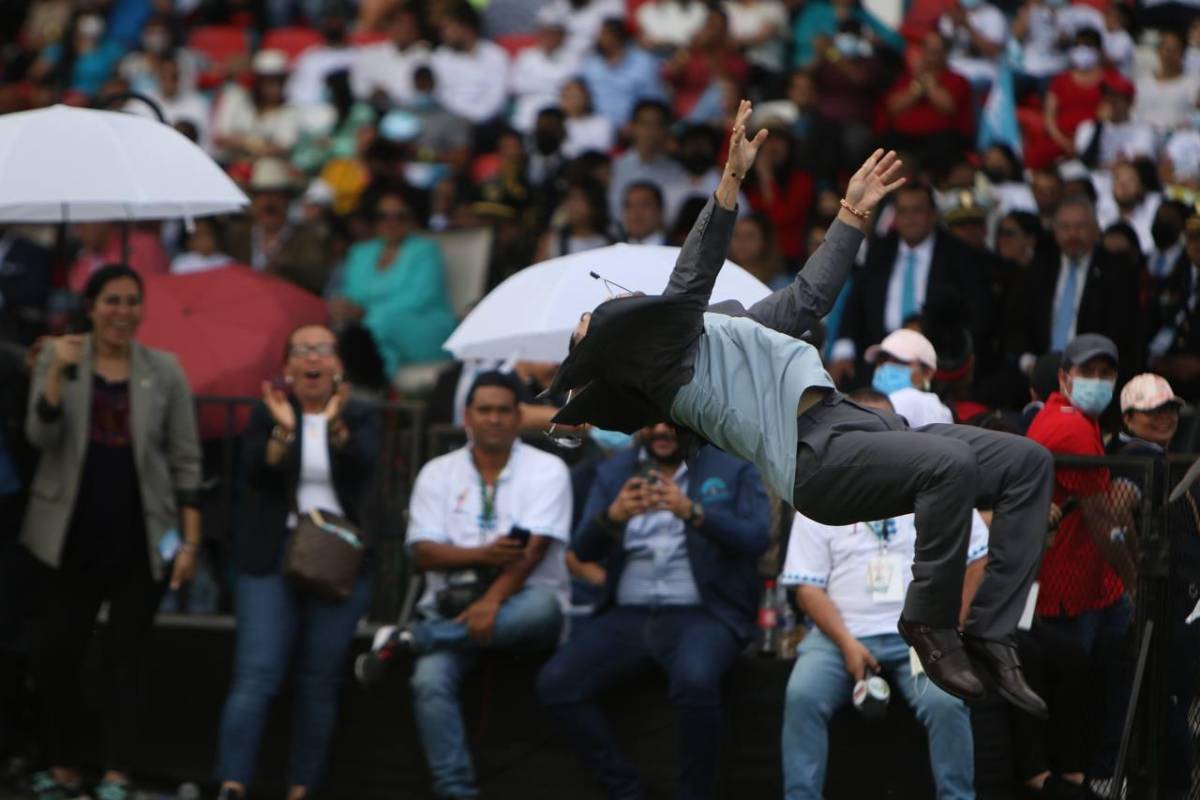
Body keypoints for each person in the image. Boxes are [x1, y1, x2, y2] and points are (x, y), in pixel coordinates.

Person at [547, 100, 1054, 714]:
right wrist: (731, 180)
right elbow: (692, 277)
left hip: (858, 427)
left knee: (1026, 464)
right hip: (816, 459)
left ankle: (993, 633)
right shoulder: (657, 368)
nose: (609, 309)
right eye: (589, 325)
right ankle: (928, 622)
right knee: (949, 467)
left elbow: (808, 300)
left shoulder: (722, 326)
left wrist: (852, 214)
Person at [22, 265, 202, 800]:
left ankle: (117, 770)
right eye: (111, 301)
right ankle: (61, 763)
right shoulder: (61, 357)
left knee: (125, 658)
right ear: (91, 306)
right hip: (67, 534)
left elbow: (186, 459)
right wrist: (55, 374)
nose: (122, 312)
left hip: (140, 535)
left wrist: (188, 541)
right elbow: (40, 435)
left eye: (131, 301)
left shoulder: (164, 370)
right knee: (60, 652)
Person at [538, 422, 769, 800]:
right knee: (557, 684)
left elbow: (756, 538)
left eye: (671, 421)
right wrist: (612, 517)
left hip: (703, 611)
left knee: (695, 681)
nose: (662, 429)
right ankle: (625, 789)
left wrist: (693, 512)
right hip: (627, 611)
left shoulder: (730, 465)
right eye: (651, 419)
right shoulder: (615, 470)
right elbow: (581, 551)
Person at [781, 388, 986, 800]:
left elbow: (977, 556)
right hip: (839, 636)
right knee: (801, 695)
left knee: (946, 705)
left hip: (920, 634)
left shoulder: (936, 480)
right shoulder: (816, 491)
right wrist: (846, 644)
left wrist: (952, 623)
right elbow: (806, 587)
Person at [215, 324, 380, 800]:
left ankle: (301, 789)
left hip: (339, 562)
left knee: (319, 681)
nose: (313, 358)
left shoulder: (361, 415)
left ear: (338, 366)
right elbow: (258, 471)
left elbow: (361, 467)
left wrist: (331, 425)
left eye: (323, 349)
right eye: (302, 350)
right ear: (287, 367)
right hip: (271, 558)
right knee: (257, 673)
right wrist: (286, 431)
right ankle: (232, 785)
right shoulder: (266, 414)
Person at [403, 371, 572, 800]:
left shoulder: (547, 469)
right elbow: (421, 553)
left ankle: (416, 638)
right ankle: (456, 791)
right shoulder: (437, 472)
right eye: (485, 410)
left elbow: (532, 553)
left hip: (521, 605)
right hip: (452, 604)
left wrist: (492, 600)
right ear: (467, 416)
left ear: (519, 417)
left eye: (503, 411)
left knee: (542, 609)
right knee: (428, 681)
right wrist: (483, 556)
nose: (494, 419)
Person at [1019, 333, 1135, 798]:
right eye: (1089, 373)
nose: (1099, 382)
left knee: (1096, 683)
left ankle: (1095, 772)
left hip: (1090, 584)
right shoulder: (1069, 427)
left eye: (1107, 374)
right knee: (1078, 693)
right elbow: (1103, 518)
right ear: (1065, 378)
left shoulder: (1073, 417)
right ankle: (1089, 777)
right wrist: (1136, 579)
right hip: (1064, 589)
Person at [1109, 374, 1196, 796]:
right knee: (1164, 714)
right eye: (1152, 411)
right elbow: (1116, 512)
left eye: (1170, 409)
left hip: (1175, 604)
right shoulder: (1134, 458)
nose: (1164, 418)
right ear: (1129, 417)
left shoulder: (1161, 459)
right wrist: (1131, 574)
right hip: (1153, 613)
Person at [831, 182, 988, 386]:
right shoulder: (879, 250)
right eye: (903, 211)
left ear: (933, 214)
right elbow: (855, 304)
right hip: (879, 356)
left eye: (917, 210)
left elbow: (977, 314)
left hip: (935, 361)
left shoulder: (959, 255)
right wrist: (843, 351)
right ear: (895, 216)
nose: (910, 218)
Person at [1002, 195, 1142, 381]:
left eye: (1080, 226)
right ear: (1055, 231)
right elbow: (1017, 323)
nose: (1072, 234)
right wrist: (1028, 361)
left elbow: (1124, 333)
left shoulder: (1116, 271)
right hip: (1040, 373)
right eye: (1065, 227)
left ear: (1095, 229)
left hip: (1095, 376)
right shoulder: (1039, 268)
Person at [328, 186, 457, 379]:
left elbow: (418, 299)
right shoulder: (360, 252)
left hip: (423, 326)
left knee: (374, 326)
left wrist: (365, 312)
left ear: (411, 218)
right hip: (376, 333)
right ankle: (372, 391)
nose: (391, 222)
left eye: (400, 216)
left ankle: (355, 381)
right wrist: (344, 306)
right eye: (383, 216)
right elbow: (351, 294)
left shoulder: (426, 251)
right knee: (382, 348)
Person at [225, 158, 335, 296]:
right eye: (263, 195)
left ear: (288, 200)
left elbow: (317, 276)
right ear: (255, 199)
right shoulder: (238, 235)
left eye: (277, 195)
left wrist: (284, 268)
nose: (269, 202)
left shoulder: (308, 238)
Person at [212, 49, 303, 164]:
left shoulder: (290, 111)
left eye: (278, 81)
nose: (273, 87)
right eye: (266, 81)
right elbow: (221, 137)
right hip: (230, 162)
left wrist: (243, 142)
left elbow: (281, 147)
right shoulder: (235, 98)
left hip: (269, 169)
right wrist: (255, 144)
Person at [429, 3, 510, 129]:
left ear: (466, 27)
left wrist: (474, 119)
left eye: (448, 28)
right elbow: (439, 96)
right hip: (450, 124)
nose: (444, 34)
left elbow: (497, 98)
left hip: (486, 124)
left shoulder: (496, 56)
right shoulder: (439, 58)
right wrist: (458, 120)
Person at [607, 99, 687, 220]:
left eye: (657, 124)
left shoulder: (677, 171)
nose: (651, 131)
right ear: (633, 127)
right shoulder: (614, 168)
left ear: (666, 130)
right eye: (645, 124)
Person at [581, 18, 668, 129]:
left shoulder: (644, 62)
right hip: (595, 127)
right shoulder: (591, 63)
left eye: (603, 34)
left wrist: (634, 125)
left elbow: (652, 100)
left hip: (633, 128)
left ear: (616, 36)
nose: (598, 38)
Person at [509, 5, 580, 133]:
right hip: (527, 113)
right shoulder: (526, 56)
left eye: (554, 33)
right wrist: (554, 85)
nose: (549, 37)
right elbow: (516, 86)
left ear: (562, 35)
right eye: (546, 32)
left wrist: (536, 84)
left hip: (559, 115)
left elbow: (571, 91)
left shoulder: (573, 60)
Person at [866, 328, 954, 428]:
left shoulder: (921, 402)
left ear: (927, 373)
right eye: (882, 359)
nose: (887, 366)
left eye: (900, 361)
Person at [350, 4, 430, 106]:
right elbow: (359, 88)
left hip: (414, 110)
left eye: (408, 27)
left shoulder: (426, 57)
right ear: (390, 28)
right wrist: (374, 92)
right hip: (377, 109)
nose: (404, 30)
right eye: (399, 25)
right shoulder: (371, 54)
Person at [1074, 74, 1154, 171]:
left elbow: (1142, 160)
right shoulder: (1088, 127)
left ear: (1129, 102)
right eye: (1106, 97)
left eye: (1116, 97)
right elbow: (1086, 162)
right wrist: (1100, 125)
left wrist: (1106, 165)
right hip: (1095, 182)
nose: (1110, 102)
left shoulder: (1143, 129)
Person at [1134, 29, 1200, 133]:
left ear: (1182, 53)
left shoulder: (1193, 83)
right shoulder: (1142, 81)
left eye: (1174, 49)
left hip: (1175, 137)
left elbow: (1196, 115)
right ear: (1158, 50)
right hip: (1143, 135)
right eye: (1165, 48)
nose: (1168, 53)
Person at [535, 176, 612, 261]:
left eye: (577, 200)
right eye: (569, 199)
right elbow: (538, 272)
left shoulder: (606, 243)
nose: (571, 206)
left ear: (593, 205)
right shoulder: (552, 240)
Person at [729, 213, 788, 289]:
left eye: (750, 236)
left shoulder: (782, 286)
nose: (741, 241)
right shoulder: (721, 280)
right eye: (736, 235)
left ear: (764, 241)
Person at [560, 78, 615, 159]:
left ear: (587, 97)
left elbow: (604, 148)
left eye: (576, 96)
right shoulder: (559, 126)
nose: (573, 101)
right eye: (568, 96)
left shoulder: (603, 123)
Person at [620, 181, 668, 245]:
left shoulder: (679, 250)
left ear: (660, 211)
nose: (636, 212)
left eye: (644, 205)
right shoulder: (610, 251)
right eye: (630, 206)